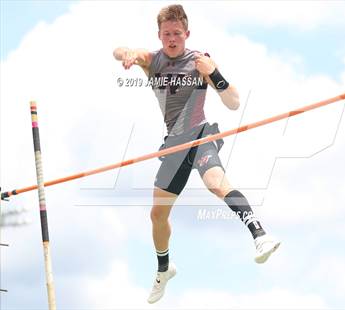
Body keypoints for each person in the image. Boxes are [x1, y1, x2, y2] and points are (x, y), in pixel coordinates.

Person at [113, 4, 280, 304]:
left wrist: (214, 73)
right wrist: (125, 54)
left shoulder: (199, 61)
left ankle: (260, 235)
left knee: (216, 182)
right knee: (157, 214)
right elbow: (123, 50)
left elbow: (233, 103)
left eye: (177, 33)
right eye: (167, 34)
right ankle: (164, 269)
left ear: (186, 34)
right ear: (160, 36)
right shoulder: (152, 60)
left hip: (201, 133)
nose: (172, 39)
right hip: (175, 143)